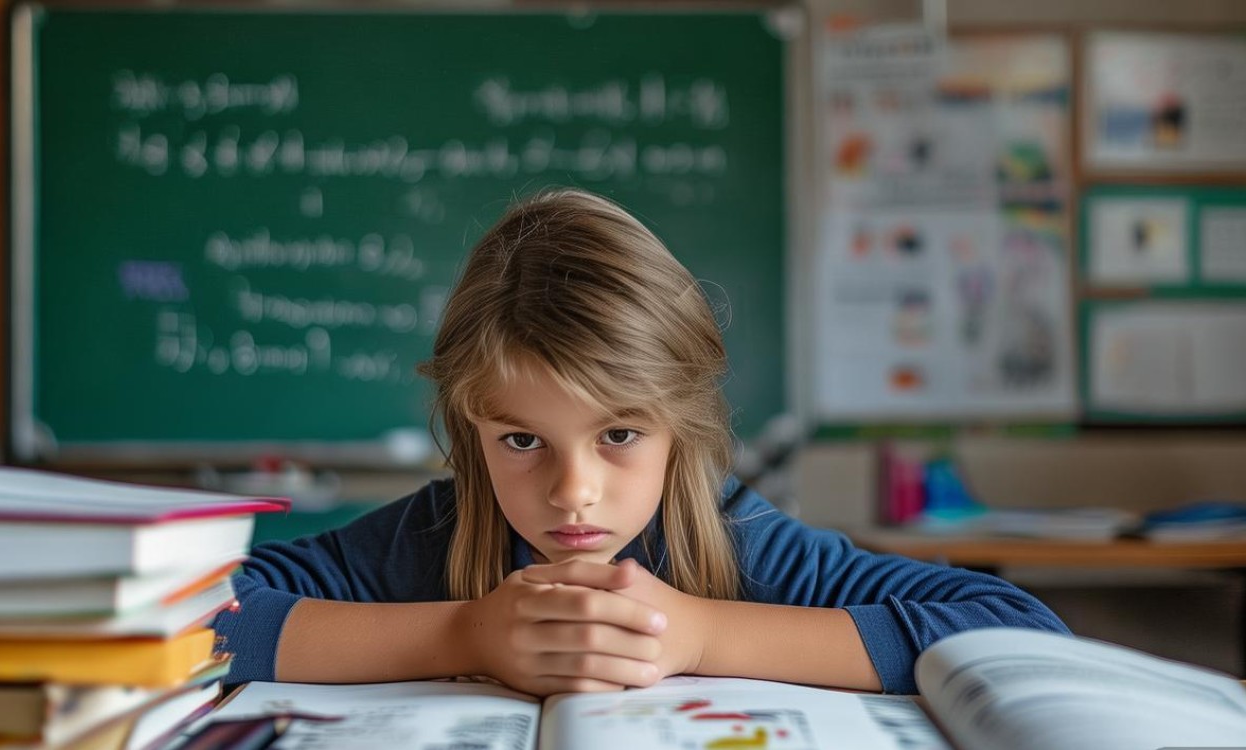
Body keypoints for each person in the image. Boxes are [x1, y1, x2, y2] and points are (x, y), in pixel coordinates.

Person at [214, 188, 1067, 696]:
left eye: (618, 433)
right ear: (471, 429)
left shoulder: (743, 544)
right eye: (520, 440)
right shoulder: (429, 538)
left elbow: (1018, 629)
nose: (572, 491)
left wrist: (698, 635)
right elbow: (195, 621)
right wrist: (465, 636)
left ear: (680, 428)